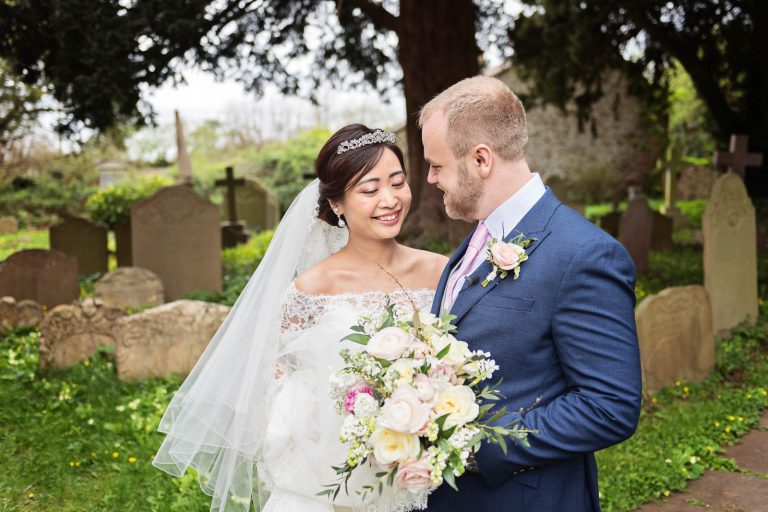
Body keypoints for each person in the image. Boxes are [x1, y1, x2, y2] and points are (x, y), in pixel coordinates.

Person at [153, 123, 447, 512]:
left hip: (426, 468)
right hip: (336, 476)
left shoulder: (442, 271)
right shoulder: (312, 288)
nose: (390, 199)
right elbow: (279, 380)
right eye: (370, 190)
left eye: (397, 182)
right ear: (338, 204)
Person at [419, 76, 642, 512]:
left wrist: (476, 448)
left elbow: (610, 405)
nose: (429, 178)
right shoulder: (477, 238)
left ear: (481, 159)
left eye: (436, 165)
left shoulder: (585, 254)